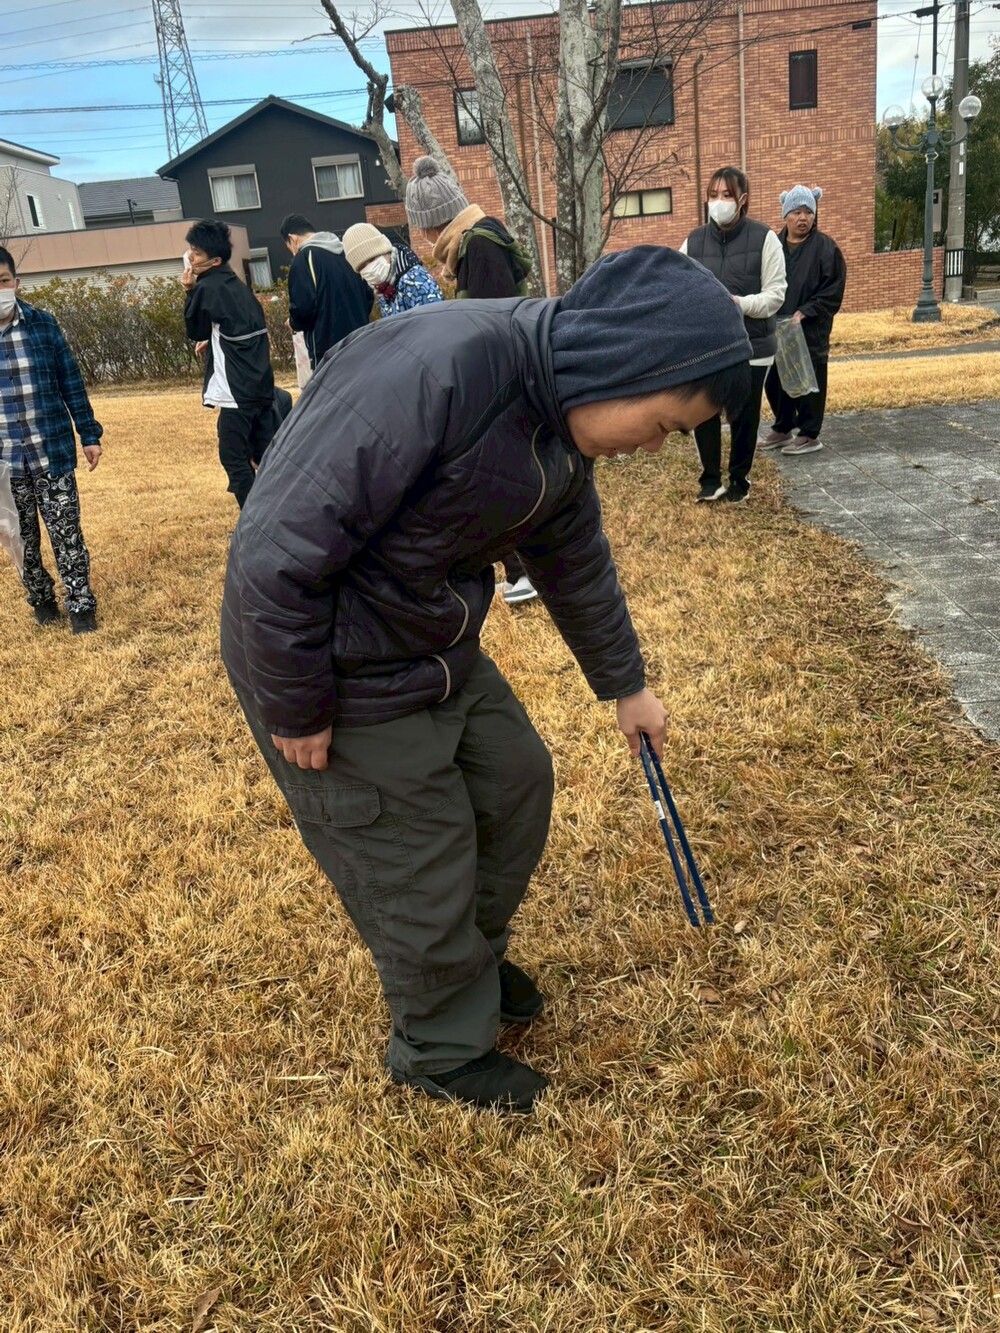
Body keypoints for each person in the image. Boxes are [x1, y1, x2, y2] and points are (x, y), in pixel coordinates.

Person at [221, 245, 753, 1114]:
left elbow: (573, 558)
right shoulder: (440, 375)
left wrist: (626, 685)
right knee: (415, 850)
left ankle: (466, 964)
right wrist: (297, 704)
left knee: (515, 780)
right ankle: (439, 1047)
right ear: (621, 364)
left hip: (428, 638)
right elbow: (273, 552)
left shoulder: (558, 419)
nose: (654, 445)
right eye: (662, 422)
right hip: (331, 658)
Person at [405, 155, 538, 605]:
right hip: (507, 379)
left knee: (497, 483)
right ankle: (521, 571)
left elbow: (492, 324)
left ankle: (525, 573)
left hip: (500, 384)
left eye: (422, 228)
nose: (425, 239)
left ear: (432, 223)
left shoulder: (478, 247)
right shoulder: (478, 239)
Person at [0, 244, 103, 633]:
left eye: (3, 281)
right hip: (5, 465)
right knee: (21, 539)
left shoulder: (43, 326)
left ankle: (80, 606)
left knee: (67, 535)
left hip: (51, 453)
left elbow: (70, 382)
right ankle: (41, 600)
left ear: (16, 282)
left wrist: (89, 433)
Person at [680, 166, 786, 504]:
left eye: (727, 195)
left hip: (752, 345)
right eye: (713, 195)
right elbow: (679, 289)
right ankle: (710, 481)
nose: (719, 201)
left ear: (743, 199)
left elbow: (776, 295)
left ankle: (739, 480)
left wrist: (741, 304)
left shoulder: (765, 239)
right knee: (704, 410)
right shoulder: (693, 242)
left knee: (744, 414)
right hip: (708, 346)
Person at [182, 220, 278, 512]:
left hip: (237, 391)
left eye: (196, 253)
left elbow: (195, 329)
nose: (190, 257)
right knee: (266, 456)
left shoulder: (207, 287)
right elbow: (233, 328)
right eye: (191, 250)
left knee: (233, 457)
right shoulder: (236, 285)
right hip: (261, 385)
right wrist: (213, 342)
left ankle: (255, 521)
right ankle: (278, 512)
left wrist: (189, 290)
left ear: (215, 260)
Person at [760, 186, 847, 457]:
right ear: (785, 215)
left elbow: (833, 288)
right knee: (775, 378)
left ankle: (809, 433)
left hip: (809, 328)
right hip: (776, 326)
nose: (803, 218)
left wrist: (807, 311)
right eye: (797, 211)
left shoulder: (826, 248)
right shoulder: (772, 246)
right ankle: (783, 427)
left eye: (809, 212)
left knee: (810, 380)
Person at [279, 214, 373, 369]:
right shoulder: (346, 253)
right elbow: (368, 296)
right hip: (361, 343)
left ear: (292, 239)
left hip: (328, 351)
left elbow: (304, 309)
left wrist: (294, 323)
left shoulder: (304, 259)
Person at [342, 222, 444, 317]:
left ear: (386, 252)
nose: (370, 268)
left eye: (372, 259)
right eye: (362, 266)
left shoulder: (415, 281)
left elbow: (435, 320)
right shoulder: (383, 289)